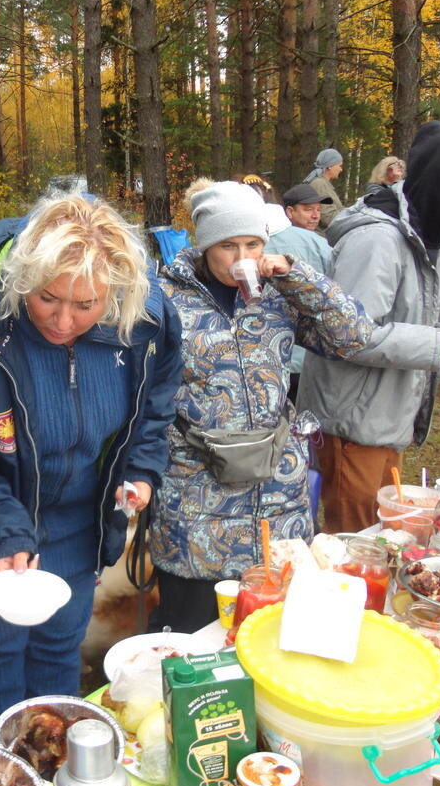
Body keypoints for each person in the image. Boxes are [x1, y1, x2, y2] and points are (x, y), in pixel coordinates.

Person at [0, 194, 182, 735]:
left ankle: (49, 765)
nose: (64, 321)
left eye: (87, 305)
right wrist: (4, 531)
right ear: (25, 276)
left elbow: (155, 404)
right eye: (48, 299)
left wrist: (140, 469)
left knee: (58, 650)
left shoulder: (146, 319)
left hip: (81, 521)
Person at [146, 181, 370, 631]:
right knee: (193, 633)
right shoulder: (165, 298)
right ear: (205, 243)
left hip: (275, 495)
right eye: (228, 245)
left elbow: (354, 337)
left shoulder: (280, 292)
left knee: (274, 630)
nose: (241, 257)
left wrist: (296, 275)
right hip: (197, 495)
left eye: (252, 243)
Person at [298, 121, 440, 534]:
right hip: (352, 422)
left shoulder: (432, 245)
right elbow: (349, 336)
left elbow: (424, 330)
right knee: (355, 547)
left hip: (391, 420)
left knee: (385, 538)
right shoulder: (375, 242)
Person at [266, 184, 335, 401]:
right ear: (289, 212)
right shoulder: (321, 245)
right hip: (307, 357)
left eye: (318, 210)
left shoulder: (322, 243)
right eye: (308, 209)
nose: (315, 216)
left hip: (277, 356)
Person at [306, 148, 345, 229]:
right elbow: (328, 217)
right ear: (330, 166)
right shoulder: (319, 184)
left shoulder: (323, 183)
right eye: (339, 166)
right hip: (323, 236)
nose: (341, 169)